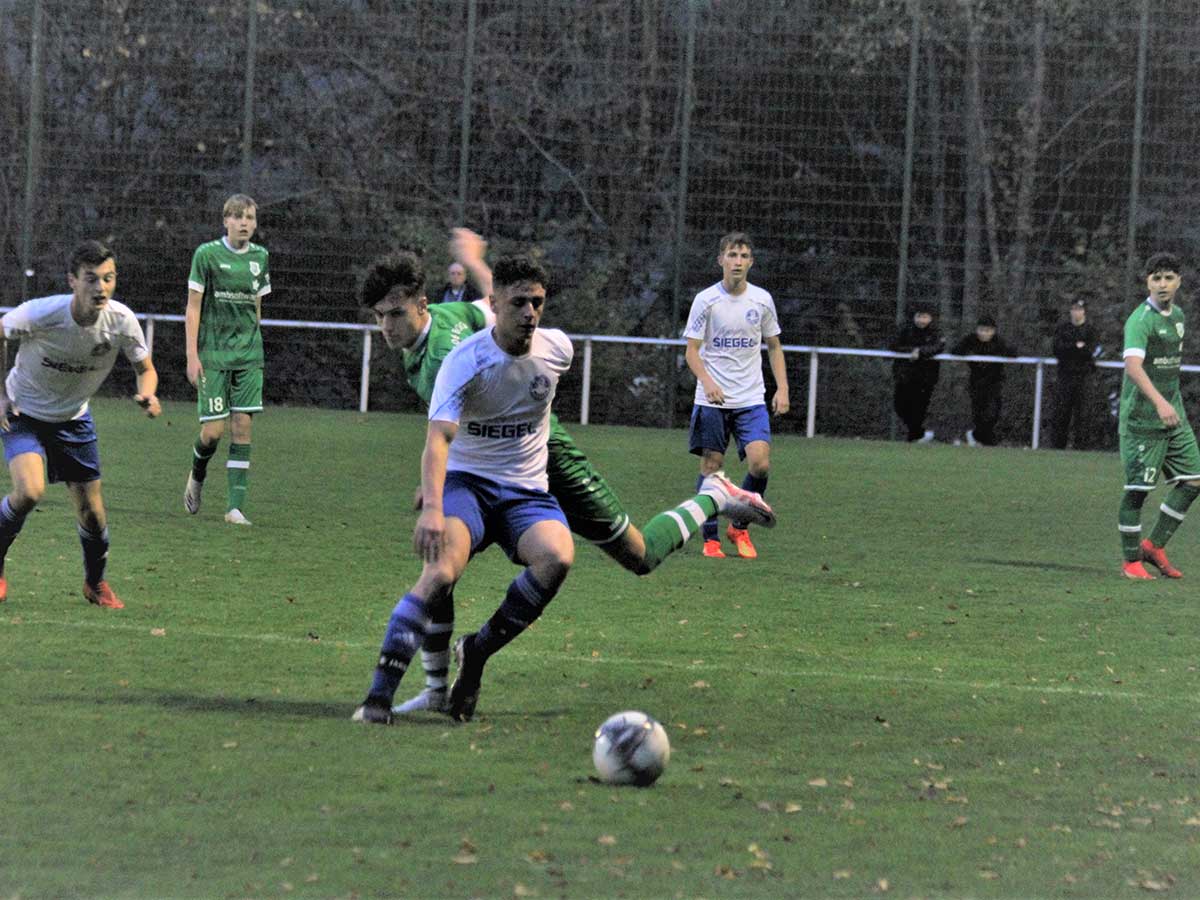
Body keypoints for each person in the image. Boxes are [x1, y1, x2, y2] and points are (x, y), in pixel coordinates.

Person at [357, 232, 774, 716]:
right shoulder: (451, 319)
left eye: (393, 314)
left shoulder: (442, 362)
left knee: (637, 554)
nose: (385, 326)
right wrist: (474, 259)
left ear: (420, 306)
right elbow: (491, 307)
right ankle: (433, 688)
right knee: (441, 567)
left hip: (544, 458)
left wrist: (437, 486)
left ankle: (714, 494)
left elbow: (454, 418)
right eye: (379, 316)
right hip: (486, 467)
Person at [353, 253, 573, 726]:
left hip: (525, 491)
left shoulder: (558, 350)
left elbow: (478, 306)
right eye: (519, 303)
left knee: (559, 556)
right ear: (496, 305)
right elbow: (440, 438)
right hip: (467, 484)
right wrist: (433, 504)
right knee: (440, 572)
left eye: (536, 303)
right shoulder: (462, 361)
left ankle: (474, 653)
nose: (530, 313)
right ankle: (378, 699)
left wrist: (474, 257)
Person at [0, 240, 161, 609]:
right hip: (23, 414)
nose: (101, 288)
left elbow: (145, 370)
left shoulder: (121, 321)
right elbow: (1, 333)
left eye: (108, 278)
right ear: (72, 281)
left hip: (73, 420)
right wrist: (0, 396)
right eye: (91, 279)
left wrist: (148, 395)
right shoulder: (42, 313)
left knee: (92, 512)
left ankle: (95, 584)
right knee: (29, 492)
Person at [684, 231, 789, 561]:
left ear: (751, 262)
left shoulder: (761, 300)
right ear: (721, 260)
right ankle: (711, 540)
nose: (738, 261)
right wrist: (707, 381)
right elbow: (692, 351)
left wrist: (782, 387)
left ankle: (739, 526)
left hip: (751, 398)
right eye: (732, 255)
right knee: (712, 468)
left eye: (744, 256)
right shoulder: (706, 300)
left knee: (760, 464)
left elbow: (774, 346)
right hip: (712, 399)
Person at [182, 193, 271, 526]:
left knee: (243, 427)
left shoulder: (261, 257)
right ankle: (197, 473)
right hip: (214, 354)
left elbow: (257, 308)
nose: (244, 223)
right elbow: (193, 307)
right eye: (238, 217)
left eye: (249, 217)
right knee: (212, 433)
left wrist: (253, 342)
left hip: (249, 356)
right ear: (226, 221)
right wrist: (192, 355)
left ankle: (235, 508)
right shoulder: (206, 255)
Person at [1116, 252, 1200, 580]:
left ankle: (1154, 546)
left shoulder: (1177, 315)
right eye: (1156, 278)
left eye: (1168, 278)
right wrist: (1159, 403)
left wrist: (1171, 404)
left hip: (1172, 418)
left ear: (1179, 281)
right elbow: (1133, 367)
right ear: (1147, 282)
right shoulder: (1140, 320)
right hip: (1142, 420)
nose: (1162, 284)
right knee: (1138, 490)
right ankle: (1130, 561)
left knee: (1194, 480)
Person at [951, 314, 1016, 447]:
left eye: (987, 331)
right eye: (981, 330)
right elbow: (956, 350)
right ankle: (983, 441)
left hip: (994, 382)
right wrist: (966, 353)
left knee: (993, 413)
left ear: (993, 331)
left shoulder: (998, 341)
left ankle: (978, 437)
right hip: (976, 382)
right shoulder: (971, 339)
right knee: (979, 413)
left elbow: (1012, 352)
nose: (983, 334)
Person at [891, 303, 946, 443]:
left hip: (926, 377)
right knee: (900, 405)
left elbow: (938, 347)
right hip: (905, 375)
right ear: (914, 316)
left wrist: (920, 352)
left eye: (925, 317)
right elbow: (893, 344)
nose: (922, 320)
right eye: (919, 316)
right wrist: (911, 351)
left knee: (919, 408)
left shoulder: (936, 332)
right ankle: (918, 433)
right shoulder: (905, 329)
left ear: (931, 318)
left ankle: (914, 438)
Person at [1051, 298, 1100, 449]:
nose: (1076, 312)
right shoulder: (1062, 329)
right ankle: (1058, 447)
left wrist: (1074, 350)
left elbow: (1091, 352)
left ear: (1084, 311)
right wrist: (1076, 347)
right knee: (1061, 412)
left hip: (1084, 377)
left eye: (1079, 309)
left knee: (1083, 414)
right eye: (1073, 308)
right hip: (1065, 376)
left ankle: (1081, 448)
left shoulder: (1091, 330)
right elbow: (1058, 349)